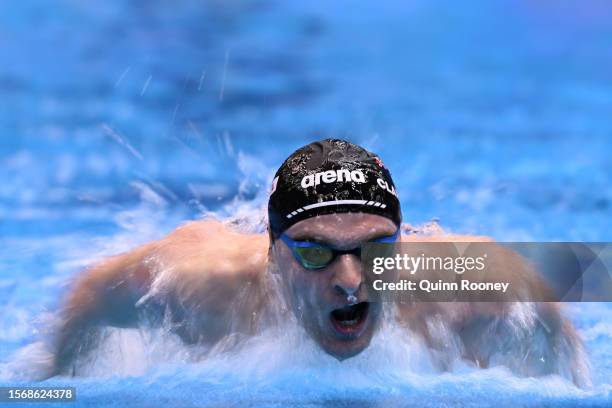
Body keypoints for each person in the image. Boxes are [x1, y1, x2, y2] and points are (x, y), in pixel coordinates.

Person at [48, 139, 589, 386]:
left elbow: (562, 344)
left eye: (376, 248)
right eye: (314, 251)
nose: (350, 281)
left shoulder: (468, 287)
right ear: (273, 253)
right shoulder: (202, 283)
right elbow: (90, 296)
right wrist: (44, 387)